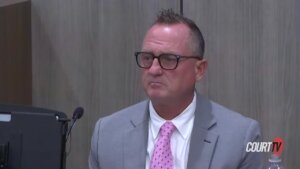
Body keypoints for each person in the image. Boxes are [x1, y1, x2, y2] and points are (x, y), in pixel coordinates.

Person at [89, 9, 263, 169]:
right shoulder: (106, 135)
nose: (154, 69)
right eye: (147, 58)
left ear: (199, 69)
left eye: (169, 59)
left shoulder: (240, 137)